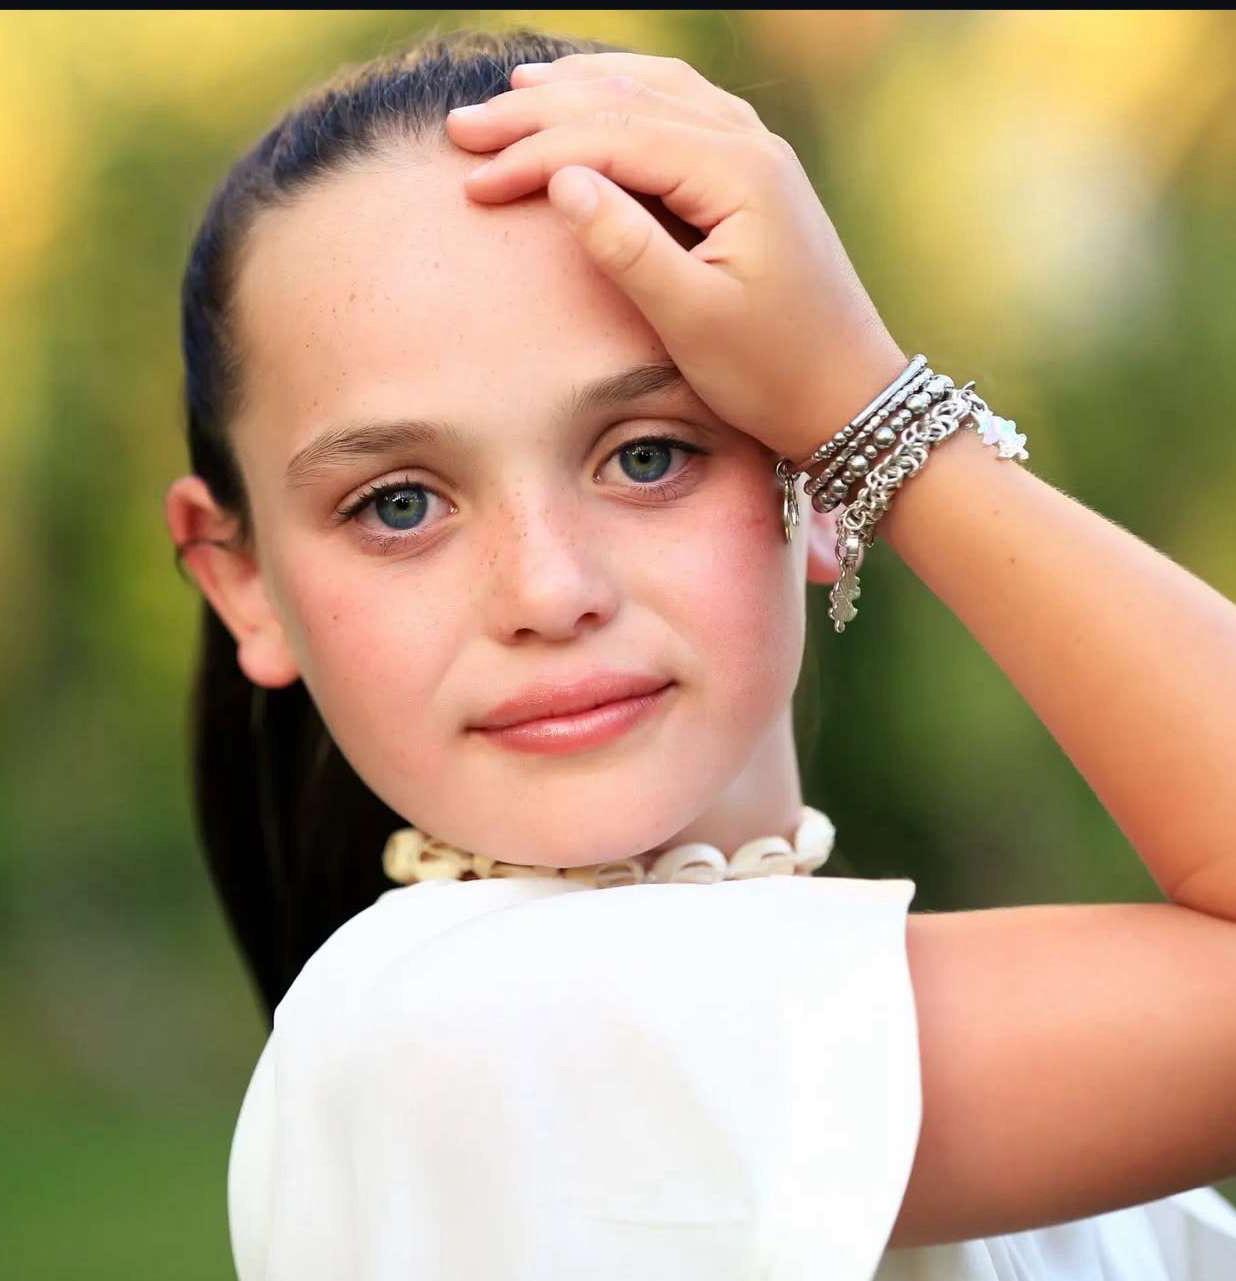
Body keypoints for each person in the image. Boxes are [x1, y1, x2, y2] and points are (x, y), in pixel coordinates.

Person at [163, 24, 1236, 1281]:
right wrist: (878, 414)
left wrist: (858, 413)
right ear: (245, 584)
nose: (549, 590)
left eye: (648, 455)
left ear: (815, 476)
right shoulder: (479, 1030)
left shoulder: (941, 1102)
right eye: (399, 504)